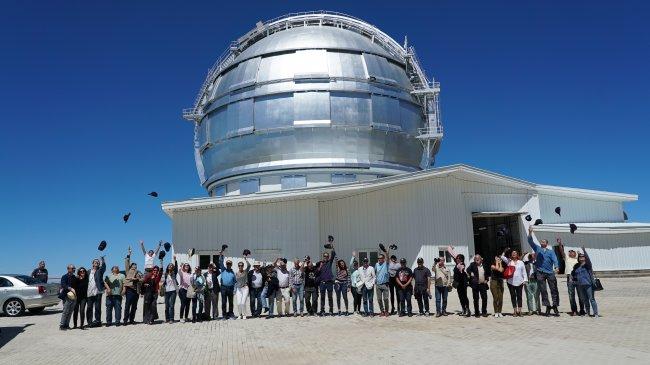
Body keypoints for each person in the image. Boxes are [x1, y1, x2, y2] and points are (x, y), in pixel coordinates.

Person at [528, 226, 560, 316]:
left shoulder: (551, 251)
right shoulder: (537, 248)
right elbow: (530, 241)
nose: (542, 242)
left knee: (553, 289)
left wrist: (556, 267)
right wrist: (530, 232)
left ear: (547, 243)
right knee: (543, 290)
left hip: (550, 273)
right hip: (540, 272)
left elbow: (555, 260)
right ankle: (547, 306)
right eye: (541, 241)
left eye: (544, 242)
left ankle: (555, 306)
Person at [558, 238, 584, 316]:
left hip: (578, 277)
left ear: (575, 254)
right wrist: (560, 244)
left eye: (572, 252)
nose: (570, 253)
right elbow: (562, 252)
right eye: (569, 252)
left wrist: (581, 253)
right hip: (570, 278)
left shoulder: (578, 260)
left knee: (581, 295)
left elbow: (584, 261)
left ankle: (582, 310)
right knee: (571, 295)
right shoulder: (567, 259)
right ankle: (574, 310)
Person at [572, 247, 599, 317]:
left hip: (588, 284)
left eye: (582, 256)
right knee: (585, 299)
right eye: (580, 257)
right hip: (580, 285)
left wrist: (584, 251)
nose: (581, 258)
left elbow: (588, 259)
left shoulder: (588, 265)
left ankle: (595, 313)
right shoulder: (577, 266)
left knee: (591, 299)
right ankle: (587, 313)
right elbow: (574, 274)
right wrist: (572, 279)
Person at [501, 249, 528, 316]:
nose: (514, 254)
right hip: (511, 282)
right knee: (513, 296)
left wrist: (525, 280)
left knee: (519, 296)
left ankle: (520, 311)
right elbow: (502, 257)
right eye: (513, 253)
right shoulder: (509, 261)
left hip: (520, 282)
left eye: (515, 253)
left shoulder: (521, 262)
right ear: (511, 255)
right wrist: (505, 250)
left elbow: (524, 272)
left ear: (517, 255)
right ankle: (515, 311)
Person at [447, 246, 471, 317]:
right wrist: (450, 248)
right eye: (457, 258)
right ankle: (463, 309)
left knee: (464, 297)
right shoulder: (457, 263)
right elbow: (452, 254)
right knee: (460, 297)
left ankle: (468, 310)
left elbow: (461, 267)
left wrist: (461, 269)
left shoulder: (462, 264)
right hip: (458, 284)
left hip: (463, 283)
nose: (457, 259)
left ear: (462, 259)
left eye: (459, 258)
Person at [123, 246, 142, 325]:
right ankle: (125, 321)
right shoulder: (128, 270)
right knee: (127, 306)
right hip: (130, 290)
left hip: (136, 291)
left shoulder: (138, 272)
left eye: (135, 266)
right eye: (133, 265)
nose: (134, 266)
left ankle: (131, 320)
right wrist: (129, 254)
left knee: (134, 306)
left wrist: (137, 279)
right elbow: (127, 262)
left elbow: (141, 280)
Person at [317, 243, 336, 316]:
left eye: (327, 256)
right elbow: (317, 272)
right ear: (323, 257)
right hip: (322, 283)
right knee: (322, 297)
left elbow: (333, 254)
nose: (326, 257)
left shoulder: (329, 262)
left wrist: (332, 247)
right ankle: (322, 310)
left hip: (329, 282)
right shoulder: (320, 263)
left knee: (330, 297)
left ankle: (331, 310)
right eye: (324, 256)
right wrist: (320, 266)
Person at [86, 256, 106, 327]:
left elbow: (104, 267)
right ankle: (89, 322)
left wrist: (102, 260)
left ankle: (98, 321)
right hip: (89, 292)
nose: (97, 263)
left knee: (98, 308)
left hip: (98, 291)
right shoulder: (88, 271)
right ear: (93, 264)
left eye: (98, 262)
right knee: (89, 308)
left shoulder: (100, 270)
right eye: (95, 262)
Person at [58, 264, 77, 330]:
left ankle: (67, 324)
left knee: (70, 311)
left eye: (74, 268)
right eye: (73, 268)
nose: (74, 269)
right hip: (66, 296)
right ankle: (62, 325)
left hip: (74, 297)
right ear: (68, 269)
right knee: (65, 311)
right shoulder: (64, 276)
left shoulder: (74, 277)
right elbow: (63, 285)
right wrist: (70, 288)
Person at [219, 253, 236, 319]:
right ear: (226, 265)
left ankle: (231, 314)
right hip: (223, 287)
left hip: (231, 288)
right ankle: (224, 315)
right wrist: (221, 255)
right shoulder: (223, 269)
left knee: (231, 302)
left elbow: (235, 281)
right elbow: (220, 262)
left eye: (229, 264)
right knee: (224, 302)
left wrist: (234, 289)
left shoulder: (232, 272)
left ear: (231, 265)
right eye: (227, 264)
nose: (228, 265)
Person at [162, 256, 178, 323]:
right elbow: (164, 282)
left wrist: (175, 261)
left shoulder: (174, 273)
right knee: (166, 306)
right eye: (169, 265)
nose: (170, 266)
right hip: (166, 291)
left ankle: (171, 319)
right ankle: (167, 319)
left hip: (173, 291)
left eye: (171, 266)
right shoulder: (165, 274)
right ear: (167, 267)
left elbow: (176, 269)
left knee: (171, 305)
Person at [374, 252, 390, 317]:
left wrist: (387, 252)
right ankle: (382, 311)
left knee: (386, 299)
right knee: (379, 299)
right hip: (378, 285)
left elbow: (388, 258)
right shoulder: (376, 264)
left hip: (385, 284)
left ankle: (386, 311)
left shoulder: (386, 264)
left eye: (380, 258)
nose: (379, 259)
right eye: (378, 258)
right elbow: (375, 272)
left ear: (383, 259)